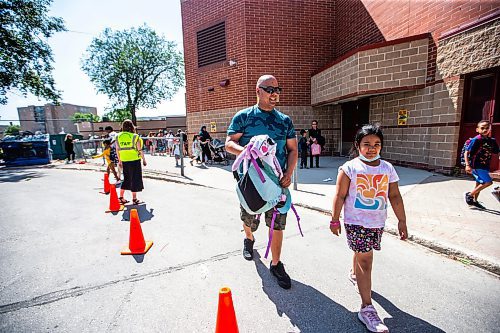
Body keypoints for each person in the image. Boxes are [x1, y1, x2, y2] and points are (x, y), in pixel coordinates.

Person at [329, 124, 407, 333]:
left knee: (361, 253)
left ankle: (354, 274)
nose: (372, 148)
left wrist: (402, 221)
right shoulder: (350, 168)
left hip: (377, 222)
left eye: (377, 144)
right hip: (356, 221)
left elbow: (395, 196)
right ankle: (366, 308)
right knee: (366, 259)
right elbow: (340, 195)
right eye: (367, 144)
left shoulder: (387, 168)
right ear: (357, 145)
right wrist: (335, 218)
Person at [225, 74, 298, 289]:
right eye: (269, 89)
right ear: (258, 91)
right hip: (251, 181)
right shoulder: (244, 117)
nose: (275, 94)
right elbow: (229, 143)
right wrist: (248, 151)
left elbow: (293, 149)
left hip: (277, 183)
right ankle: (249, 238)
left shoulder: (284, 121)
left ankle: (275, 264)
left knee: (277, 223)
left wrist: (289, 173)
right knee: (249, 218)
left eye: (277, 89)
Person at [464, 120, 499, 209]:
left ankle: (474, 201)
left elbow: (496, 151)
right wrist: (467, 165)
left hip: (485, 165)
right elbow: (466, 152)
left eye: (487, 128)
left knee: (479, 183)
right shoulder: (477, 140)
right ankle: (470, 195)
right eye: (482, 128)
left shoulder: (492, 141)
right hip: (476, 165)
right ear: (477, 129)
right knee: (488, 182)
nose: (485, 130)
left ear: (490, 129)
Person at [116, 119, 147, 205]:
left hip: (124, 160)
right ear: (132, 127)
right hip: (134, 160)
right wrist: (144, 159)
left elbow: (117, 149)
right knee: (135, 179)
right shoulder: (135, 136)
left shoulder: (118, 136)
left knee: (126, 179)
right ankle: (134, 199)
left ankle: (121, 197)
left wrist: (120, 160)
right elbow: (139, 149)